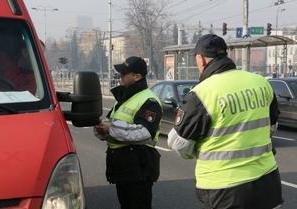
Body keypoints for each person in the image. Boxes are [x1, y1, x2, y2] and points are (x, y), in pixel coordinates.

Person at [167, 34, 283, 209]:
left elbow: (177, 143)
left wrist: (195, 152)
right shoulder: (261, 82)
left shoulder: (202, 94)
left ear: (201, 60)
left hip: (224, 189)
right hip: (268, 181)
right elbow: (271, 126)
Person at [94, 56, 163, 209]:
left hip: (138, 168)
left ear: (137, 76)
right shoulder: (125, 98)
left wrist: (110, 129)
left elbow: (144, 132)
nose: (120, 76)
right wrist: (101, 130)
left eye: (124, 73)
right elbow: (112, 126)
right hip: (124, 168)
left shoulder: (149, 100)